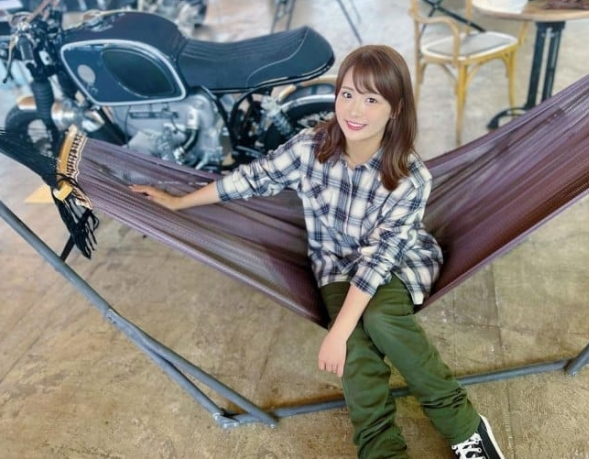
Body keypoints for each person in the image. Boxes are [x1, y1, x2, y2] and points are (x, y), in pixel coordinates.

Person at [131, 45, 504, 459]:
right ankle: (382, 451)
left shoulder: (409, 178)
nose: (354, 110)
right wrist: (179, 202)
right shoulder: (310, 147)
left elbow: (378, 262)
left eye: (371, 99)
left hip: (398, 263)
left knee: (380, 318)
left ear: (395, 110)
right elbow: (253, 177)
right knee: (357, 352)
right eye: (347, 94)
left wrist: (337, 333)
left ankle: (463, 425)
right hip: (335, 267)